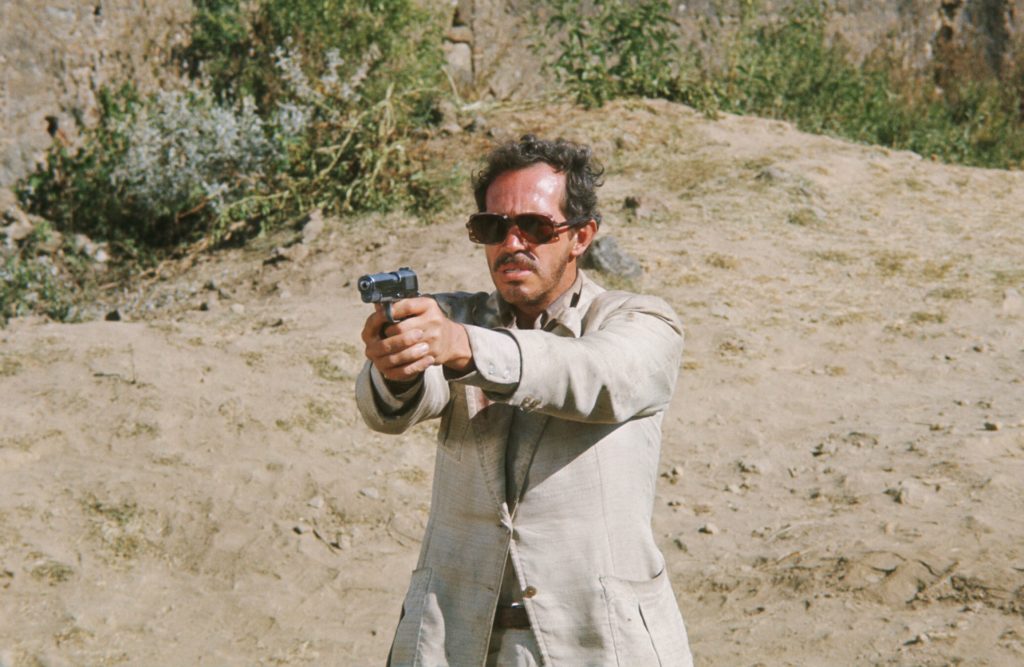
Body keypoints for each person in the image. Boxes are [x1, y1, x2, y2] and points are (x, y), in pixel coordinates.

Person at [356, 135, 693, 666]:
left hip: (596, 643)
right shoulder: (458, 317)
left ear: (582, 236)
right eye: (493, 228)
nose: (512, 243)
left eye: (535, 226)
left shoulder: (643, 322)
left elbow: (594, 374)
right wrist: (396, 363)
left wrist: (464, 348)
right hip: (457, 639)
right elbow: (389, 410)